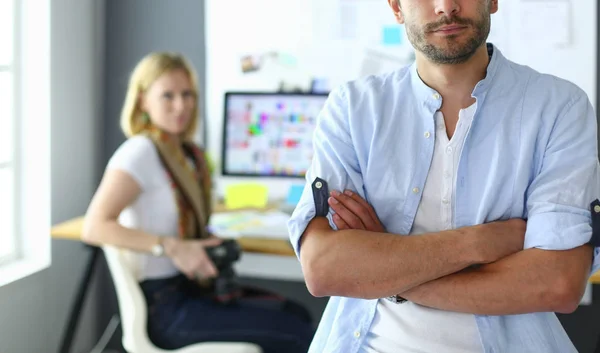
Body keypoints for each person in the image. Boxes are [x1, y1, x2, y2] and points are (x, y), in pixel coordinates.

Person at [287, 0, 600, 352]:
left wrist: (383, 273)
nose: (445, 7)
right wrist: (479, 243)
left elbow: (557, 284)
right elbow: (324, 269)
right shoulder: (353, 108)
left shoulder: (560, 107)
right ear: (396, 7)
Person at [83, 52, 314, 353]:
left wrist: (202, 241)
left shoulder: (188, 155)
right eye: (168, 95)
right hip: (165, 308)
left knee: (297, 315)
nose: (181, 105)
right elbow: (94, 227)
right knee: (297, 333)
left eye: (187, 94)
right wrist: (172, 246)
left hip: (191, 289)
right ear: (142, 100)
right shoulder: (139, 152)